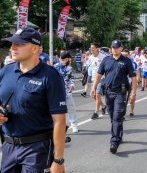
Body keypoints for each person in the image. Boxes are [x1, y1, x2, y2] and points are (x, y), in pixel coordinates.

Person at [0, 28, 67, 172]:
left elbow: (59, 120)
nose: (12, 47)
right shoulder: (5, 71)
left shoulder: (50, 76)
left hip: (36, 149)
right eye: (12, 44)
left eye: (19, 44)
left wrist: (58, 159)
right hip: (8, 146)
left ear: (35, 48)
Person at [90, 40, 137, 154]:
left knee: (117, 116)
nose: (114, 49)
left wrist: (133, 93)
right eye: (113, 47)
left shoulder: (126, 61)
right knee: (112, 116)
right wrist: (94, 87)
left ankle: (114, 141)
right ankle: (119, 135)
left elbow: (134, 78)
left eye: (117, 47)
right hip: (108, 92)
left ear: (121, 48)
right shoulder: (106, 60)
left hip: (121, 93)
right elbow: (99, 74)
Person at [54, 51, 79, 133]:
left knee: (71, 108)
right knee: (58, 110)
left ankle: (74, 124)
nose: (69, 60)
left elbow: (71, 78)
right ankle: (59, 126)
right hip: (57, 91)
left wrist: (72, 85)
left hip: (67, 91)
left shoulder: (69, 68)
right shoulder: (55, 67)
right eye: (68, 58)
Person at [82, 43, 108, 119]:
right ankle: (103, 106)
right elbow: (87, 67)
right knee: (93, 95)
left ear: (97, 49)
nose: (91, 49)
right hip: (94, 78)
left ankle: (96, 112)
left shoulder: (103, 57)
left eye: (93, 48)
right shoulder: (90, 58)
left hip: (102, 78)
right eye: (91, 48)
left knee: (97, 94)